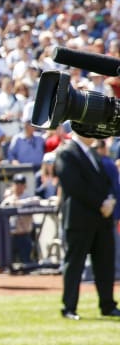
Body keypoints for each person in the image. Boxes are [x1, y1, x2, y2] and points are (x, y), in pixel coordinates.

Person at [54, 132, 120, 320]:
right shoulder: (66, 152)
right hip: (79, 219)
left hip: (101, 218)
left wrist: (110, 201)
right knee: (75, 264)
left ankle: (108, 305)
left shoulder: (93, 153)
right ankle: (69, 307)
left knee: (105, 264)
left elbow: (106, 181)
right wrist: (101, 203)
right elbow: (74, 186)